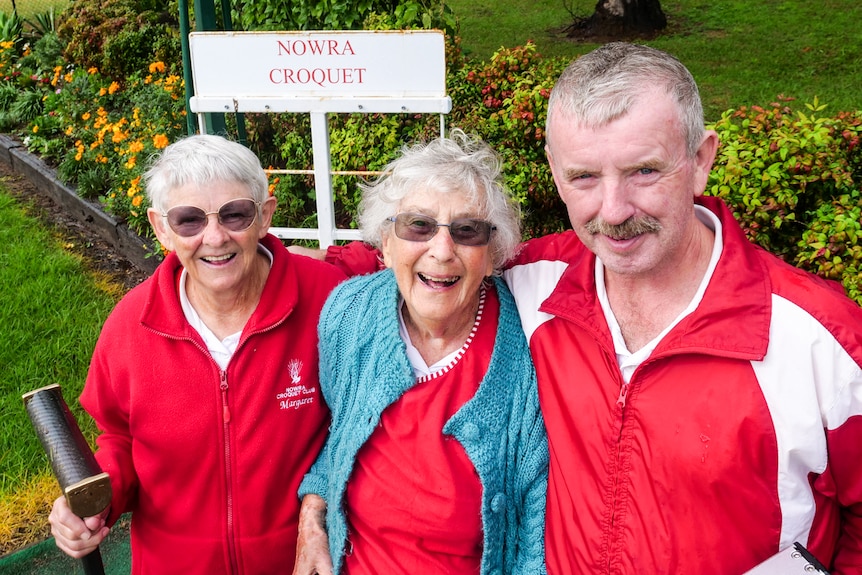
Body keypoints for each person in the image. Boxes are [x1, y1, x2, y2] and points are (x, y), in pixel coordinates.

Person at [299, 43, 862, 574]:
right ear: (554, 171)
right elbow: (428, 267)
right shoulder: (538, 280)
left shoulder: (817, 337)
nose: (613, 212)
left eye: (644, 171)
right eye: (584, 177)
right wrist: (254, 257)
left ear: (701, 159)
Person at [48, 134, 346, 573]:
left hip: (302, 561)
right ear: (161, 228)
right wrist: (96, 503)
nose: (214, 236)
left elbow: (363, 426)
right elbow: (118, 440)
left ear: (265, 216)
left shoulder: (329, 302)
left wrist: (317, 513)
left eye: (235, 214)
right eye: (188, 220)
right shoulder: (131, 324)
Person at [292, 129, 548, 575]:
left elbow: (533, 533)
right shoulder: (348, 316)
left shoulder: (531, 352)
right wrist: (312, 519)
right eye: (419, 226)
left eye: (468, 231)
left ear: (492, 257)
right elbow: (339, 435)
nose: (442, 250)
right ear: (386, 245)